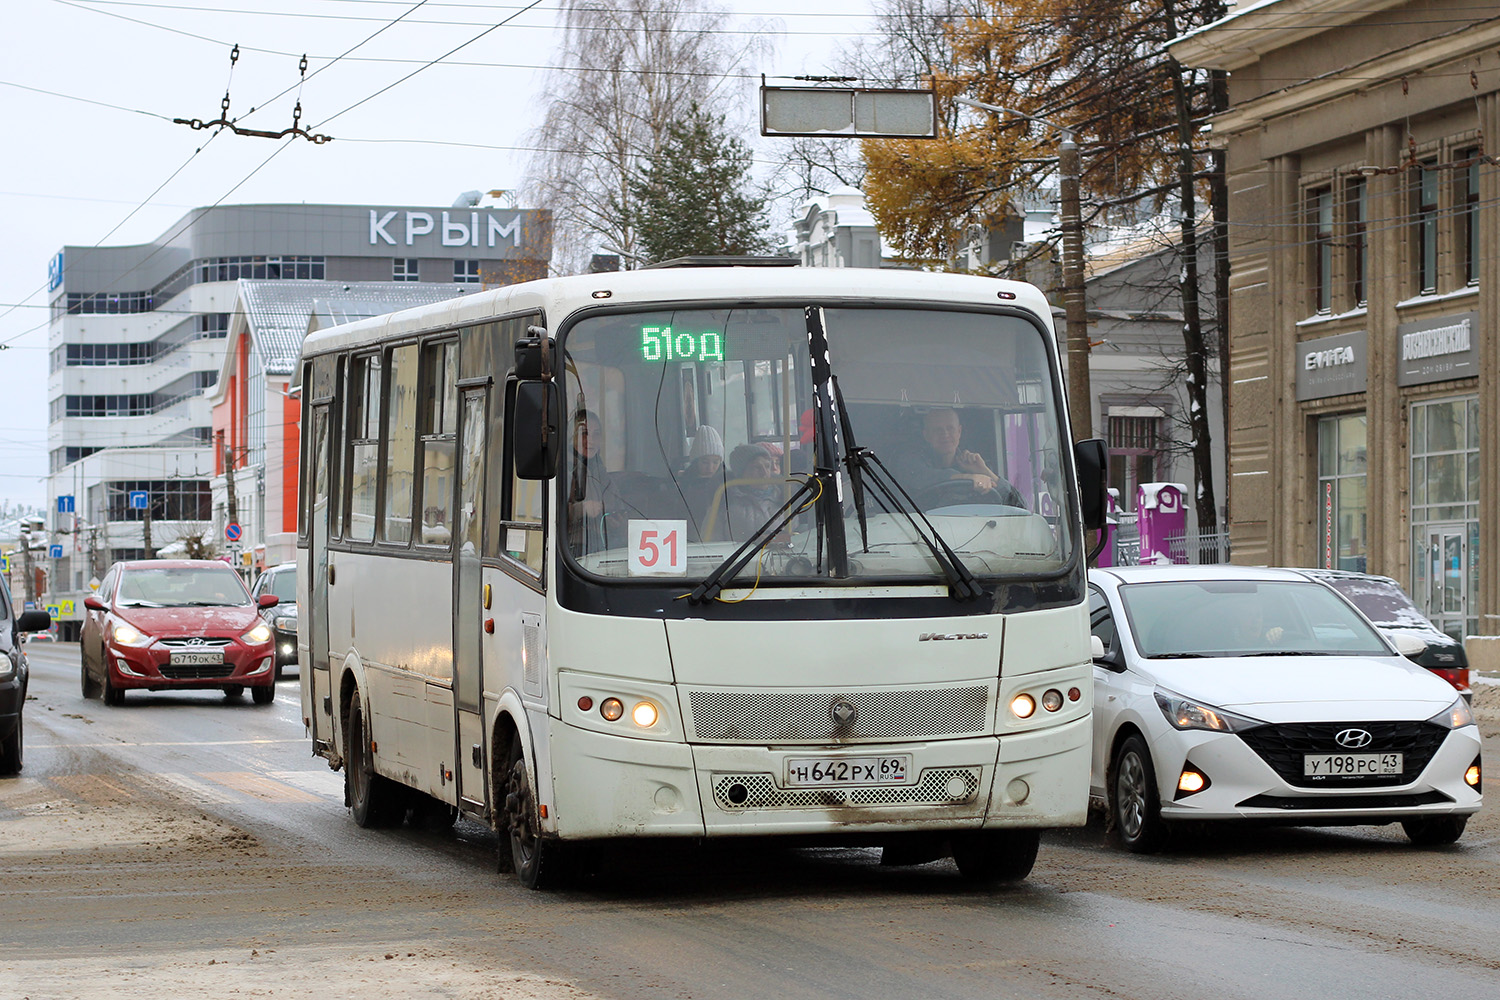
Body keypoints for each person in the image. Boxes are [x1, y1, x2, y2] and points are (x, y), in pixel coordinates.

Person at [900, 407, 1022, 505]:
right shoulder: (910, 460)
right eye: (938, 430)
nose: (945, 434)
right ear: (926, 435)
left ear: (959, 431)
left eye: (950, 428)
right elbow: (920, 477)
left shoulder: (973, 467)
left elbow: (1020, 507)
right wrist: (967, 477)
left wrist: (986, 472)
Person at [567, 409, 611, 550]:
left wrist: (614, 517)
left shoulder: (599, 469)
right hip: (573, 549)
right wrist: (583, 508)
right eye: (584, 433)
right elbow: (542, 514)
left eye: (596, 434)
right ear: (572, 436)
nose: (591, 440)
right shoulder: (562, 469)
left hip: (601, 544)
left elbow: (613, 499)